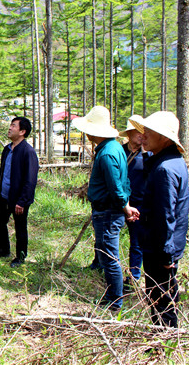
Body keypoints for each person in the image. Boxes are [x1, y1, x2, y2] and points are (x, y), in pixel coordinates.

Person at [71, 106, 139, 310]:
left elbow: (116, 185)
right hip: (107, 210)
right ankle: (112, 296)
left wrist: (125, 207)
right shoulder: (113, 148)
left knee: (109, 257)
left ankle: (114, 301)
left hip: (108, 212)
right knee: (105, 253)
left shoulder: (108, 153)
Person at [130, 111, 189, 328]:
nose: (142, 136)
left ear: (164, 138)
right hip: (163, 245)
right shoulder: (171, 161)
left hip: (159, 248)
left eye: (149, 133)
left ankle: (164, 345)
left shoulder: (165, 169)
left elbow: (166, 216)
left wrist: (166, 254)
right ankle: (163, 340)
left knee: (160, 298)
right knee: (163, 297)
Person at [0, 117, 39, 268]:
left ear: (22, 132)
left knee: (20, 228)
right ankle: (4, 250)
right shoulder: (7, 149)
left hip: (18, 200)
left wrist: (22, 201)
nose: (10, 128)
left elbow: (30, 180)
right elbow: (3, 174)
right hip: (3, 196)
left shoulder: (28, 152)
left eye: (13, 126)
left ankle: (20, 257)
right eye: (10, 125)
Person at [119, 115, 151, 290]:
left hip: (138, 205)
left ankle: (134, 277)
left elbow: (151, 174)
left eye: (143, 133)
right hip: (118, 202)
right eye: (138, 132)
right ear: (129, 133)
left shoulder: (148, 155)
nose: (141, 135)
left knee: (136, 242)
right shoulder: (120, 151)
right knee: (106, 236)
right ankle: (100, 263)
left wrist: (146, 154)